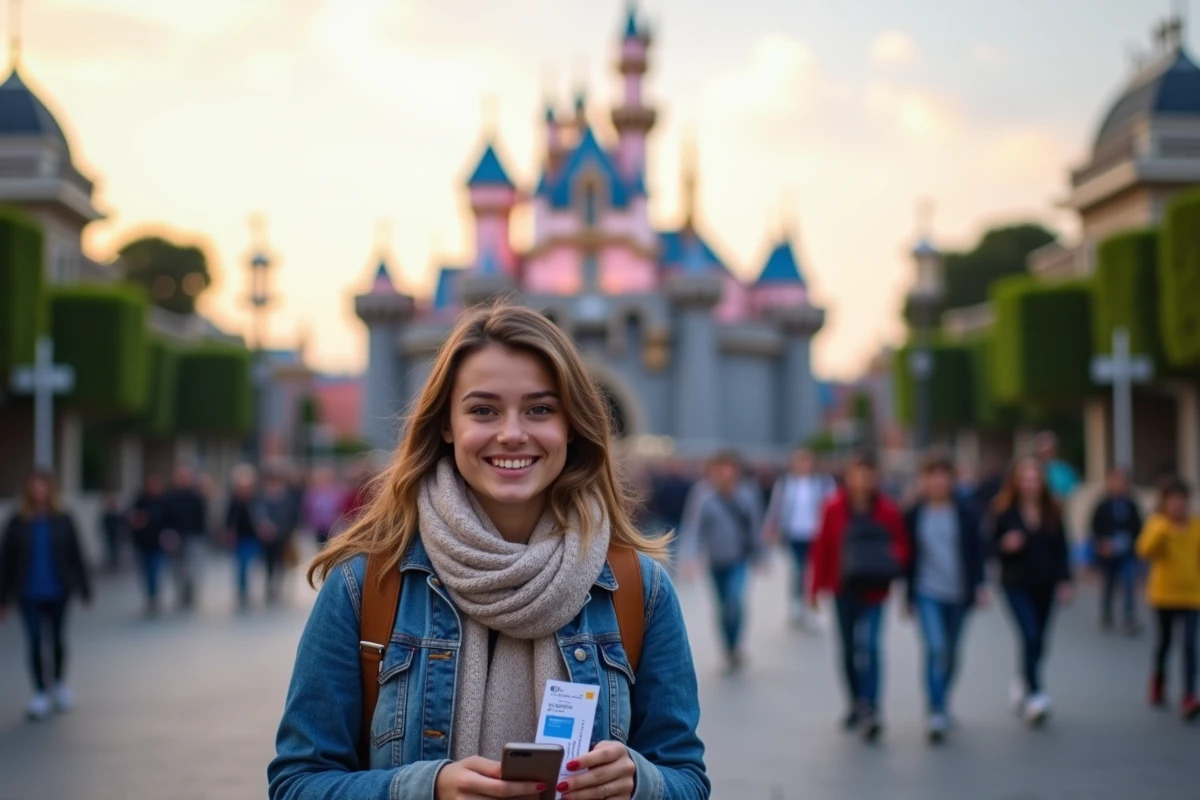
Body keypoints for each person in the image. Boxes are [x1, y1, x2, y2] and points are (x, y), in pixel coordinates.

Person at [268, 304, 709, 800]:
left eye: (540, 409)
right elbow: (297, 783)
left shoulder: (638, 589)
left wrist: (639, 782)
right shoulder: (366, 584)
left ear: (571, 426)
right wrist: (425, 790)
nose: (512, 433)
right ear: (447, 425)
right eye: (483, 410)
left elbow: (687, 779)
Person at [809, 451, 910, 742]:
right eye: (858, 473)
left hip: (876, 589)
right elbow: (822, 548)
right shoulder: (833, 507)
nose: (864, 480)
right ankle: (855, 701)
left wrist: (893, 557)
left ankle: (871, 706)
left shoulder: (888, 510)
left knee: (871, 645)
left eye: (869, 473)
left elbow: (902, 544)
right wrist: (814, 588)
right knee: (849, 649)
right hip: (843, 588)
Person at [902, 451, 987, 743]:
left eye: (943, 475)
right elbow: (907, 558)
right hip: (927, 592)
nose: (937, 481)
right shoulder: (914, 513)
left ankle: (943, 697)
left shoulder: (966, 511)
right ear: (924, 481)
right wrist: (907, 597)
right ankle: (935, 709)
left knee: (951, 652)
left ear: (951, 479)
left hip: (959, 592)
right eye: (931, 475)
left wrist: (981, 585)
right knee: (935, 647)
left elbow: (977, 552)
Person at [0, 471, 92, 721]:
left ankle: (59, 684)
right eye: (34, 487)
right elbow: (5, 560)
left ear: (50, 490)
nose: (38, 492)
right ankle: (40, 692)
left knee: (58, 640)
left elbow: (77, 554)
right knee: (34, 642)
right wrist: (3, 598)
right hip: (27, 592)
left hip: (59, 590)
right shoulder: (17, 520)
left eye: (43, 487)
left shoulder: (63, 518)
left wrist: (85, 589)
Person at [992, 456, 1074, 727]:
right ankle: (1035, 694)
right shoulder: (1004, 511)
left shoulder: (1052, 511)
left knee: (1039, 639)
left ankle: (1023, 679)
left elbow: (1062, 548)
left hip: (1045, 583)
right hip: (1015, 584)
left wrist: (1065, 581)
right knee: (1029, 633)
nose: (1030, 484)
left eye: (1035, 478)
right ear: (1016, 481)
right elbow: (988, 547)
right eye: (1025, 478)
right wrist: (1005, 545)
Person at [679, 450, 765, 672]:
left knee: (735, 601)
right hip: (716, 560)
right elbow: (693, 527)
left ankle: (736, 645)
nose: (726, 473)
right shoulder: (703, 494)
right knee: (722, 605)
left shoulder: (747, 493)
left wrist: (760, 555)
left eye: (730, 468)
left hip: (739, 559)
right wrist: (690, 557)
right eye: (721, 468)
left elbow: (755, 526)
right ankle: (728, 648)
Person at [1135, 477, 1200, 721]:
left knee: (1191, 646)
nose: (1179, 506)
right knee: (1165, 643)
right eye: (1174, 501)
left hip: (1193, 595)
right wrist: (1162, 530)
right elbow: (1143, 551)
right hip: (1164, 596)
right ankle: (1159, 682)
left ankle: (1189, 694)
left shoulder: (1196, 527)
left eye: (1182, 501)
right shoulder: (1157, 525)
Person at [763, 447, 835, 629]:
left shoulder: (823, 482)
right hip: (794, 534)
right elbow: (776, 507)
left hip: (816, 534)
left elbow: (831, 505)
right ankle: (797, 604)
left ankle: (813, 607)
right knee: (799, 569)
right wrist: (770, 527)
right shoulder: (786, 483)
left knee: (814, 573)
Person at [1089, 468, 1144, 635]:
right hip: (1108, 552)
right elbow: (1094, 527)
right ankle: (1107, 613)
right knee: (1109, 584)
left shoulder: (1131, 504)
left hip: (1126, 551)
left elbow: (1138, 527)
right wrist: (1102, 544)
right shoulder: (1102, 505)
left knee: (1128, 583)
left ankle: (1129, 617)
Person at [162, 464, 209, 611]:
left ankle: (190, 593)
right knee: (176, 568)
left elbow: (202, 519)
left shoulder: (196, 497)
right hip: (175, 538)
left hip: (193, 537)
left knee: (192, 569)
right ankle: (180, 594)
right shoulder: (169, 497)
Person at [129, 473, 167, 617]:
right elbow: (132, 519)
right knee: (145, 572)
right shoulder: (141, 500)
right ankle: (149, 597)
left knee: (155, 571)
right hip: (143, 543)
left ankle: (154, 597)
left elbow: (169, 520)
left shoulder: (164, 501)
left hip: (158, 544)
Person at [224, 465, 261, 611]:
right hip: (240, 538)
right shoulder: (234, 502)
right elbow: (229, 520)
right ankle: (242, 592)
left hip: (252, 537)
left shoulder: (255, 500)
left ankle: (246, 590)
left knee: (250, 565)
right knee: (241, 566)